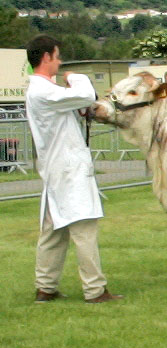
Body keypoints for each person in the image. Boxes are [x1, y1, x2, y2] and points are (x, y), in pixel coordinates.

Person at [24, 34, 122, 304]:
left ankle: (45, 287)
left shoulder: (45, 91)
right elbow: (85, 94)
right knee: (84, 229)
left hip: (58, 169)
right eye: (57, 56)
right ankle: (95, 290)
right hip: (67, 170)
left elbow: (76, 104)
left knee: (53, 232)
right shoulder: (43, 90)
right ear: (46, 57)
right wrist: (76, 78)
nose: (60, 61)